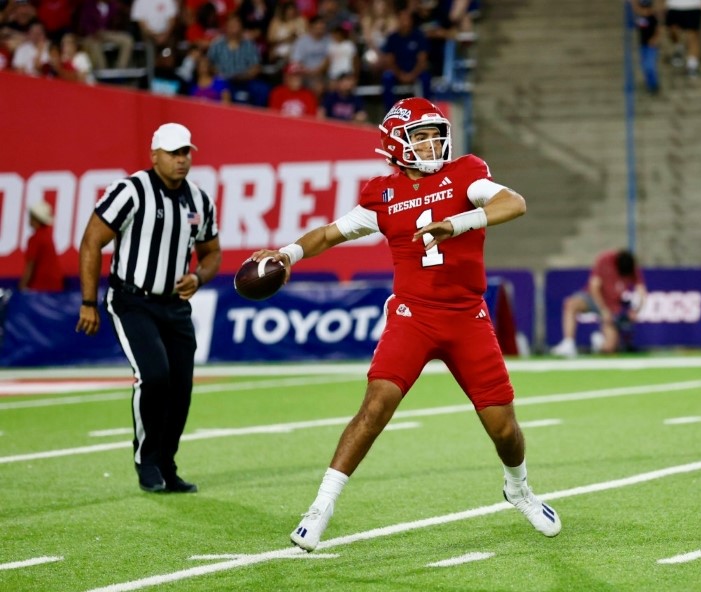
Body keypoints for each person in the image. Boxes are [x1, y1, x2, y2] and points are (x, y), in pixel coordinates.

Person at [249, 97, 562, 552]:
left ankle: (519, 489)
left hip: (467, 317)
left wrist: (456, 223)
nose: (434, 142)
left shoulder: (465, 173)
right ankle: (320, 507)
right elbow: (327, 234)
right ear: (397, 143)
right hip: (413, 315)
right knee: (376, 405)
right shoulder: (383, 194)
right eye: (422, 135)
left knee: (504, 429)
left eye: (437, 133)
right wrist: (287, 253)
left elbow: (513, 203)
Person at [76, 123, 221, 494]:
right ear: (153, 155)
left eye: (186, 152)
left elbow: (212, 253)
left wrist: (199, 278)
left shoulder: (199, 200)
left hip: (175, 306)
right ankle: (146, 459)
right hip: (132, 300)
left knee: (181, 388)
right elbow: (92, 241)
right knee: (154, 376)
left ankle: (167, 463)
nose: (182, 160)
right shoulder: (130, 191)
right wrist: (88, 302)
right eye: (174, 153)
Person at [551, 250, 647, 357]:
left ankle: (599, 342)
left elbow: (641, 291)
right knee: (571, 304)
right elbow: (594, 287)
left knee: (609, 349)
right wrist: (603, 310)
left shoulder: (632, 267)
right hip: (594, 299)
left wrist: (636, 310)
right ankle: (568, 344)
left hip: (613, 307)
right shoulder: (605, 259)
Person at [380, 8, 432, 111]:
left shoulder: (419, 36)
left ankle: (426, 109)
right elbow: (389, 60)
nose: (404, 22)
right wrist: (400, 74)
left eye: (406, 19)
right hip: (398, 71)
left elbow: (422, 59)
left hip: (415, 70)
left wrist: (412, 75)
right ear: (398, 21)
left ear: (411, 21)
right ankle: (390, 111)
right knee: (387, 77)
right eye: (402, 19)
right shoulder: (392, 38)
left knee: (426, 78)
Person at [19, 201, 65, 292]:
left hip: (40, 288)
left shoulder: (35, 238)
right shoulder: (47, 236)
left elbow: (30, 266)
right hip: (55, 286)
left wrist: (21, 288)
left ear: (35, 219)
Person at [666, 0, 701, 78]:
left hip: (694, 5)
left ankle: (692, 66)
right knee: (672, 31)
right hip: (673, 5)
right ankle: (679, 48)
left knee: (693, 35)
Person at [629, 0, 660, 94]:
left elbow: (658, 30)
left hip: (651, 46)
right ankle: (649, 83)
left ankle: (653, 84)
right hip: (642, 46)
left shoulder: (653, 18)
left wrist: (654, 39)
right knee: (644, 66)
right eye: (643, 8)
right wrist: (632, 4)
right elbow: (635, 13)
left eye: (647, 8)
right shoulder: (640, 18)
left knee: (650, 65)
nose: (645, 10)